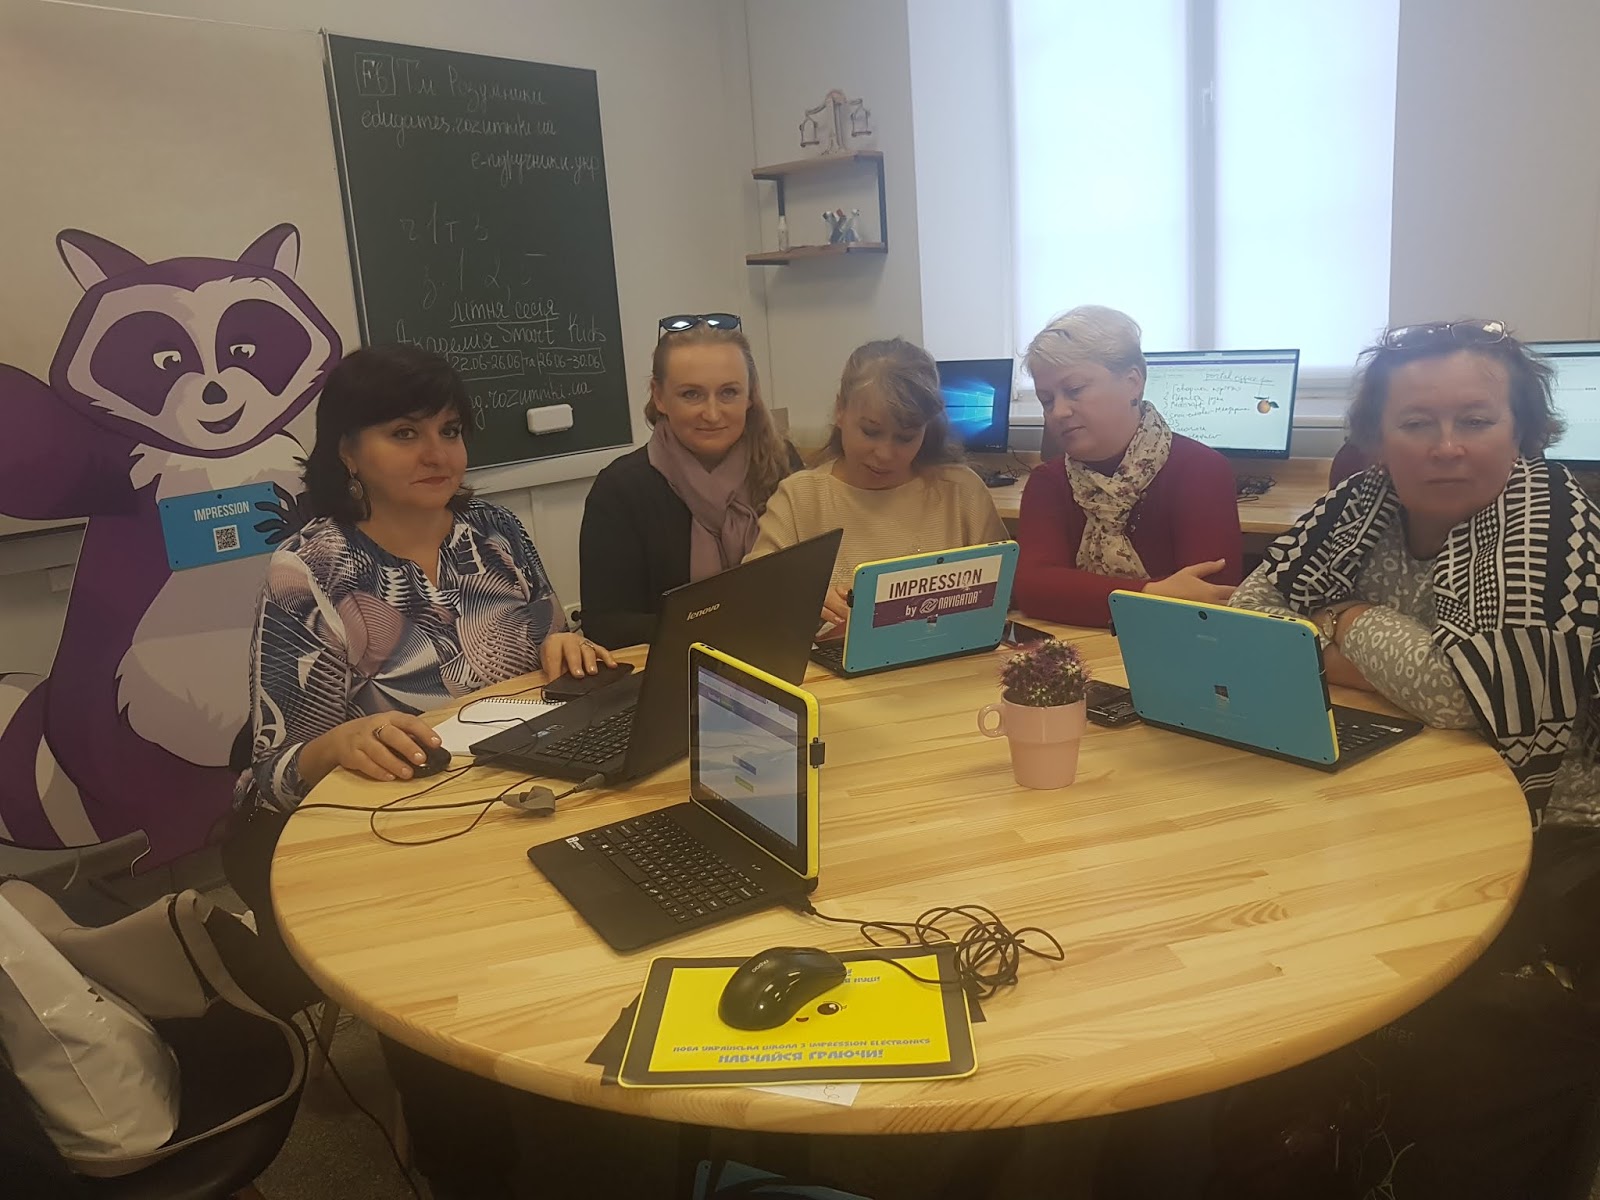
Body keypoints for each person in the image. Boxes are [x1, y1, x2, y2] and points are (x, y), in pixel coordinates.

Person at [224, 343, 616, 1200]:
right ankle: (468, 1167)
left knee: (609, 885)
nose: (438, 453)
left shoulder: (496, 533)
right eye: (405, 433)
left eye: (450, 430)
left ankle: (589, 1099)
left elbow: (549, 642)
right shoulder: (312, 569)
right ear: (348, 451)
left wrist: (564, 645)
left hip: (510, 790)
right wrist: (338, 743)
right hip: (385, 828)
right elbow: (273, 770)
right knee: (433, 981)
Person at [1226, 319, 1600, 1199]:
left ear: (1523, 428)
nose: (1446, 446)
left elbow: (1468, 699)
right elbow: (1248, 615)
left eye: (1477, 419)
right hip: (1399, 778)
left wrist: (1340, 619)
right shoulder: (1353, 507)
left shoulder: (1553, 523)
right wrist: (1400, 658)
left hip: (1551, 818)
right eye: (1417, 423)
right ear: (1376, 435)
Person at [746, 337, 1008, 633]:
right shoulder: (800, 499)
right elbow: (752, 597)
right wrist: (802, 599)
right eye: (870, 432)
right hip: (831, 660)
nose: (885, 454)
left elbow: (1002, 598)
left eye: (905, 437)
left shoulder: (961, 493)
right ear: (840, 411)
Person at [1011, 305, 1243, 628]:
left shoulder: (1201, 471)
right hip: (1073, 652)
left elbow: (1209, 597)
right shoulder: (1048, 482)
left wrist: (1079, 595)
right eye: (1046, 400)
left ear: (1133, 382)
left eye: (1074, 390)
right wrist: (1151, 594)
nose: (1059, 412)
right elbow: (1033, 589)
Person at [579, 313, 797, 649]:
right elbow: (606, 626)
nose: (712, 413)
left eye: (728, 392)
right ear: (659, 397)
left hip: (783, 654)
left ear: (750, 395)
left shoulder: (784, 464)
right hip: (673, 667)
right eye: (691, 394)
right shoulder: (620, 490)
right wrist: (721, 626)